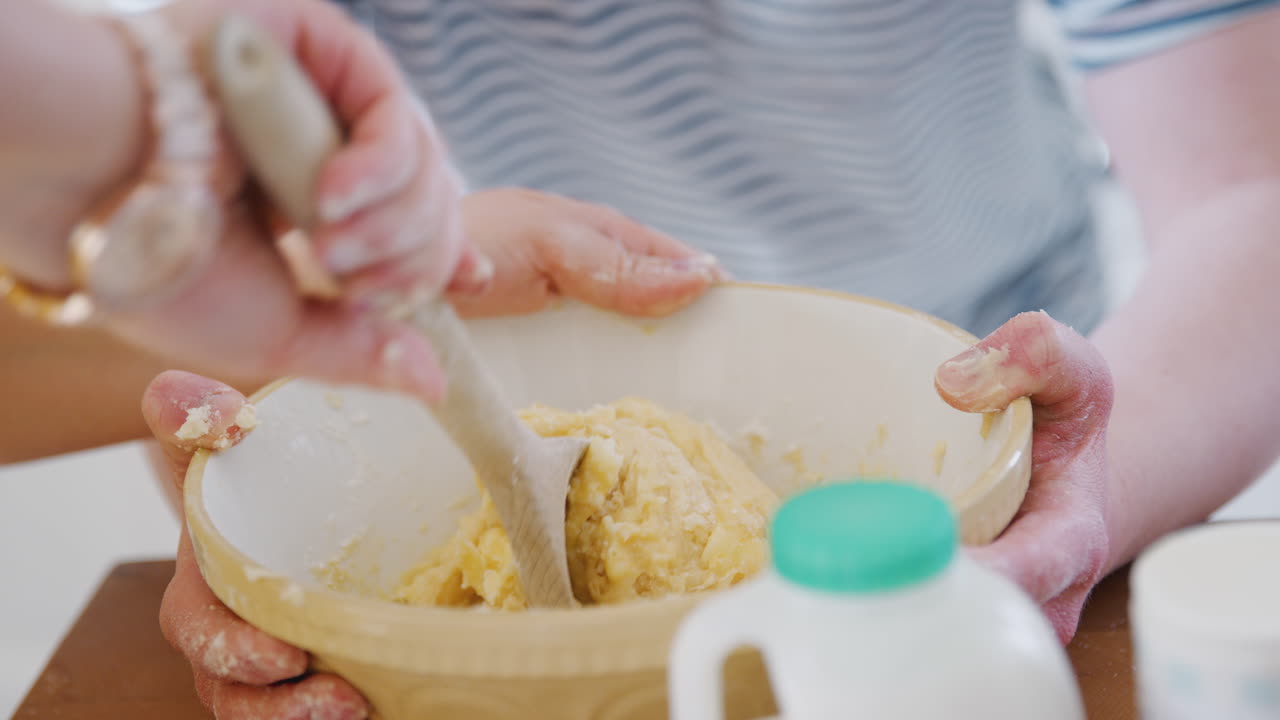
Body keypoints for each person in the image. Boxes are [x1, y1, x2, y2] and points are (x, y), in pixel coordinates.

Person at [7, 0, 1280, 718]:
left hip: (1009, 490)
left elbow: (1251, 194)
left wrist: (1085, 494)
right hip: (425, 416)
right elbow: (149, 228)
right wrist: (268, 472)